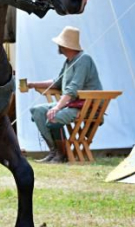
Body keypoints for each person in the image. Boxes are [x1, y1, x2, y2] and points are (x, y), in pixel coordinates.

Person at [27, 26, 102, 163]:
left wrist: (57, 107)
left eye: (60, 44)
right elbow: (57, 82)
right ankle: (54, 152)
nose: (58, 46)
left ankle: (61, 155)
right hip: (72, 104)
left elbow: (73, 88)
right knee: (37, 111)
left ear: (65, 45)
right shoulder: (68, 62)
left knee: (54, 117)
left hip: (87, 106)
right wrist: (32, 84)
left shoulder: (84, 59)